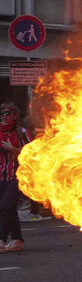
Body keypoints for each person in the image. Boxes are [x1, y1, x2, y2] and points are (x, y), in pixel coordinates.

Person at [0, 102, 32, 253]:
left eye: (8, 113)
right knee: (9, 208)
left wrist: (12, 149)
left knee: (5, 206)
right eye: (2, 112)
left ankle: (1, 240)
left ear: (15, 115)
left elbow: (33, 154)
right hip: (1, 176)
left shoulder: (22, 132)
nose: (4, 116)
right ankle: (17, 240)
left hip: (17, 175)